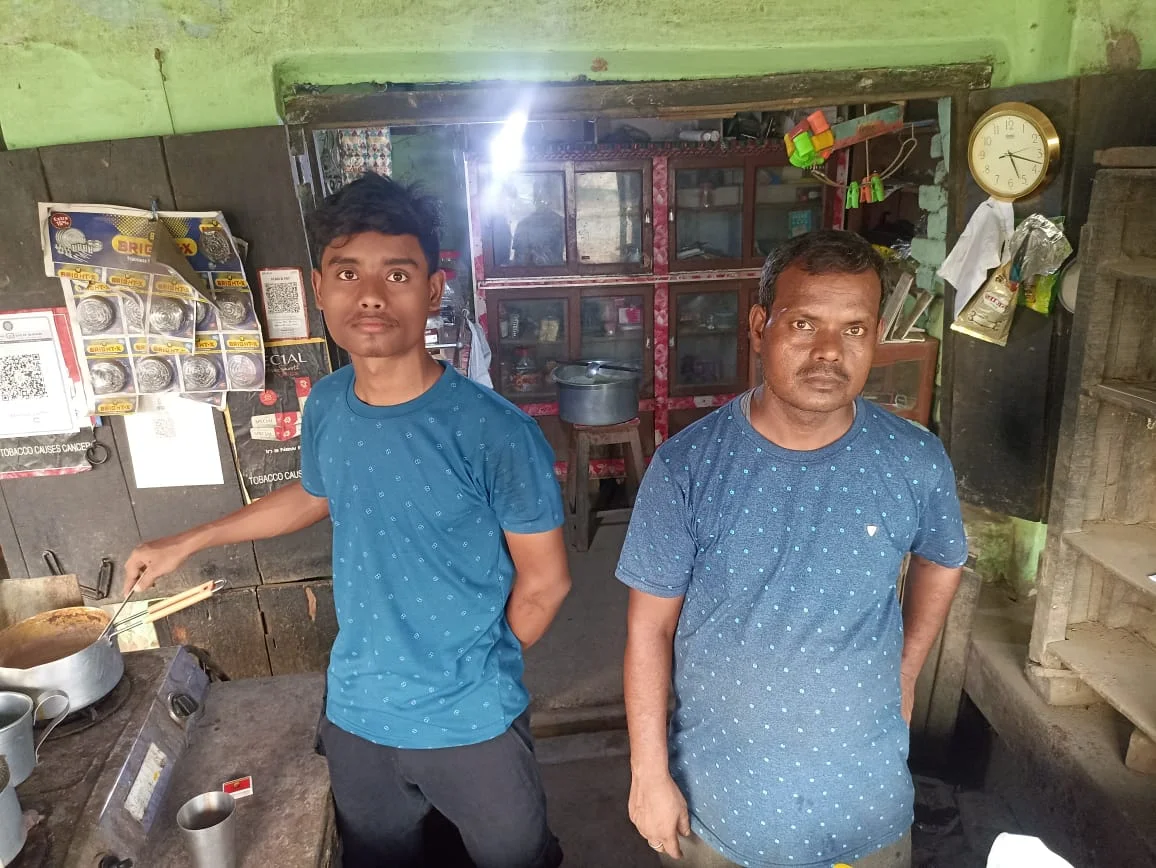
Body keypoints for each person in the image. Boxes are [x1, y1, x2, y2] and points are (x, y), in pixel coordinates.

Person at [123, 173, 571, 868]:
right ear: (319, 288)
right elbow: (316, 494)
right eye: (347, 272)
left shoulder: (495, 432)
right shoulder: (329, 404)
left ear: (433, 289)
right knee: (379, 856)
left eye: (398, 274)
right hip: (358, 714)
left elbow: (546, 583)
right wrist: (191, 538)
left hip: (470, 720)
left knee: (514, 859)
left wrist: (473, 665)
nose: (370, 294)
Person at [617, 230, 967, 868]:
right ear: (760, 327)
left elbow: (943, 560)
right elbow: (649, 628)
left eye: (854, 329)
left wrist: (905, 671)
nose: (829, 351)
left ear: (876, 335)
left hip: (868, 811)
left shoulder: (915, 459)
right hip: (719, 812)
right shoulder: (686, 467)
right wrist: (648, 774)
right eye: (805, 323)